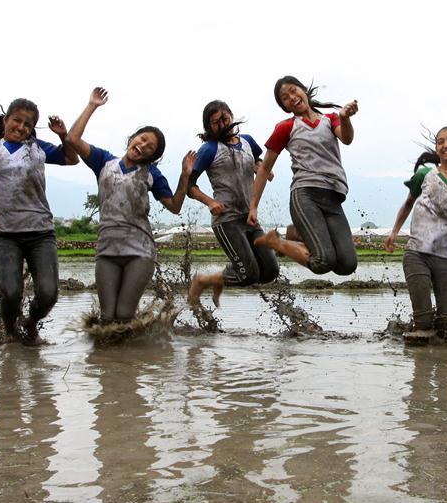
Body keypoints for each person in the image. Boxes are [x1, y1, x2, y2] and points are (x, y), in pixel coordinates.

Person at [0, 57, 79, 342]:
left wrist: (63, 135)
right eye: (17, 120)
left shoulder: (38, 149)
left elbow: (72, 158)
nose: (21, 127)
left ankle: (30, 323)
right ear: (5, 120)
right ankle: (8, 333)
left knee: (48, 293)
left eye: (28, 124)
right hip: (4, 233)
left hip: (40, 232)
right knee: (9, 292)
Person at [63, 87, 194, 322]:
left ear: (151, 157)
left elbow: (174, 206)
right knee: (106, 318)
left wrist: (185, 175)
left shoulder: (152, 174)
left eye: (149, 147)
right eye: (142, 139)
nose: (143, 146)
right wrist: (92, 105)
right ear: (133, 138)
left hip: (140, 252)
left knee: (123, 315)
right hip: (107, 250)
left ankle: (139, 344)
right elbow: (72, 139)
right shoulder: (104, 161)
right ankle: (123, 345)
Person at [248, 76, 358, 276]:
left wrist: (344, 117)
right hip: (306, 194)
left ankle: (297, 232)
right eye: (285, 97)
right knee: (323, 261)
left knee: (347, 264)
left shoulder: (330, 119)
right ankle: (277, 242)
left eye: (293, 90)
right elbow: (264, 168)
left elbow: (347, 138)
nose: (292, 97)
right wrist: (253, 206)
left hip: (333, 197)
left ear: (304, 90)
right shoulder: (286, 127)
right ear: (285, 107)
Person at [384, 127, 447, 331]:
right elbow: (408, 204)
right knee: (422, 322)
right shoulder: (424, 175)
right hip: (417, 253)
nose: (446, 145)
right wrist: (394, 232)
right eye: (441, 141)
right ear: (436, 148)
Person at [187, 100, 279, 306]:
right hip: (227, 220)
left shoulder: (248, 141)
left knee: (270, 271)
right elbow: (189, 186)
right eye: (215, 122)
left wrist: (261, 168)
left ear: (231, 116)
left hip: (249, 216)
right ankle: (202, 281)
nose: (222, 125)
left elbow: (258, 161)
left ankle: (219, 278)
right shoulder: (209, 149)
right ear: (209, 127)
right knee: (248, 275)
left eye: (225, 119)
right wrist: (210, 202)